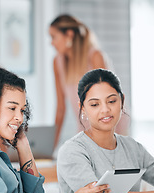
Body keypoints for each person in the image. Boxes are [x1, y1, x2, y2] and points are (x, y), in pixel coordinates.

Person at [49, 14, 129, 148]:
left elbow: (107, 99)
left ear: (69, 34)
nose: (52, 43)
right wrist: (50, 147)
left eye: (54, 37)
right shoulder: (57, 63)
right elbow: (61, 109)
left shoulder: (95, 57)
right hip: (85, 125)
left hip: (110, 123)